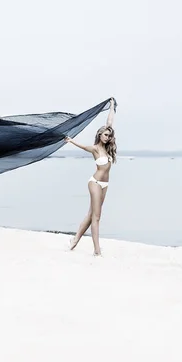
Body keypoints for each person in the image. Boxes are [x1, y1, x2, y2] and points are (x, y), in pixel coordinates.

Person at [65, 98, 117, 256]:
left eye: (109, 135)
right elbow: (81, 146)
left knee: (91, 215)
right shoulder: (94, 149)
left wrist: (112, 106)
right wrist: (70, 140)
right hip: (94, 183)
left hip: (105, 184)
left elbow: (110, 121)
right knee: (97, 217)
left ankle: (75, 240)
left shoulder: (108, 149)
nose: (107, 137)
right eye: (105, 135)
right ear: (100, 135)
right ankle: (97, 250)